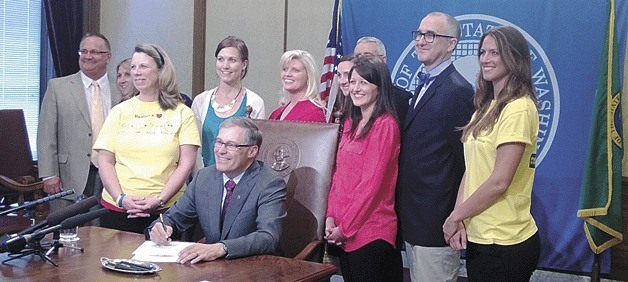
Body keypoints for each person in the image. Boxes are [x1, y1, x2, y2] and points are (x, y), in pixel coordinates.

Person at [443, 26, 540, 281]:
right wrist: (460, 218)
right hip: (480, 236)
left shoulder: (519, 108)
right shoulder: (485, 108)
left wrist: (455, 217)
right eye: (483, 52)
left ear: (514, 57)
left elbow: (499, 181)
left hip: (505, 243)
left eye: (495, 52)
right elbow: (471, 169)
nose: (485, 59)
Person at [397, 12, 475, 282]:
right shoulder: (423, 83)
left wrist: (456, 217)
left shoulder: (458, 91)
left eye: (430, 35)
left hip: (436, 224)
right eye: (419, 34)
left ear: (451, 44)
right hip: (413, 220)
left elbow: (467, 164)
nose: (421, 41)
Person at [147, 117, 287, 264]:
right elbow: (174, 218)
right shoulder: (204, 177)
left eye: (231, 145)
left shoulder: (270, 183)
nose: (221, 150)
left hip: (254, 266)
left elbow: (268, 237)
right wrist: (161, 227)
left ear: (252, 151)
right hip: (213, 267)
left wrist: (221, 248)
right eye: (219, 142)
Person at [94, 44, 200, 234]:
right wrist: (121, 198)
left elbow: (186, 164)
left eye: (143, 66)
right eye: (133, 67)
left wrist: (159, 199)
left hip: (167, 212)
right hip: (118, 209)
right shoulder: (119, 111)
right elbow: (105, 160)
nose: (136, 73)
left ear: (161, 70)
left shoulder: (182, 112)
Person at [325, 54, 403, 281]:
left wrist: (345, 228)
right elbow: (338, 176)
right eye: (353, 82)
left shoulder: (385, 126)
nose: (355, 88)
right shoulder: (350, 122)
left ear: (379, 88)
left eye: (364, 82)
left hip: (371, 235)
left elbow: (371, 185)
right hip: (343, 234)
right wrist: (330, 217)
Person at [37, 33, 122, 209]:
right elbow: (46, 135)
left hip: (115, 175)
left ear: (108, 57)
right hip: (68, 177)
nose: (87, 56)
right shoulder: (58, 87)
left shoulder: (122, 90)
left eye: (94, 52)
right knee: (67, 234)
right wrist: (48, 174)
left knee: (106, 234)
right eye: (83, 51)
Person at [192, 36, 265, 169]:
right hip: (204, 179)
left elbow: (255, 150)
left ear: (244, 64)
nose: (225, 66)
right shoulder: (200, 101)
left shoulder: (255, 102)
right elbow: (194, 149)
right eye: (221, 59)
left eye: (232, 60)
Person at [353, 36, 412, 125]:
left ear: (383, 60)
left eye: (367, 56)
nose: (361, 61)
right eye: (357, 57)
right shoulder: (351, 96)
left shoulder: (401, 99)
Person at [268, 50, 326, 122]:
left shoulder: (314, 113)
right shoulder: (275, 114)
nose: (288, 74)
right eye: (285, 69)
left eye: (295, 70)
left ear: (308, 76)